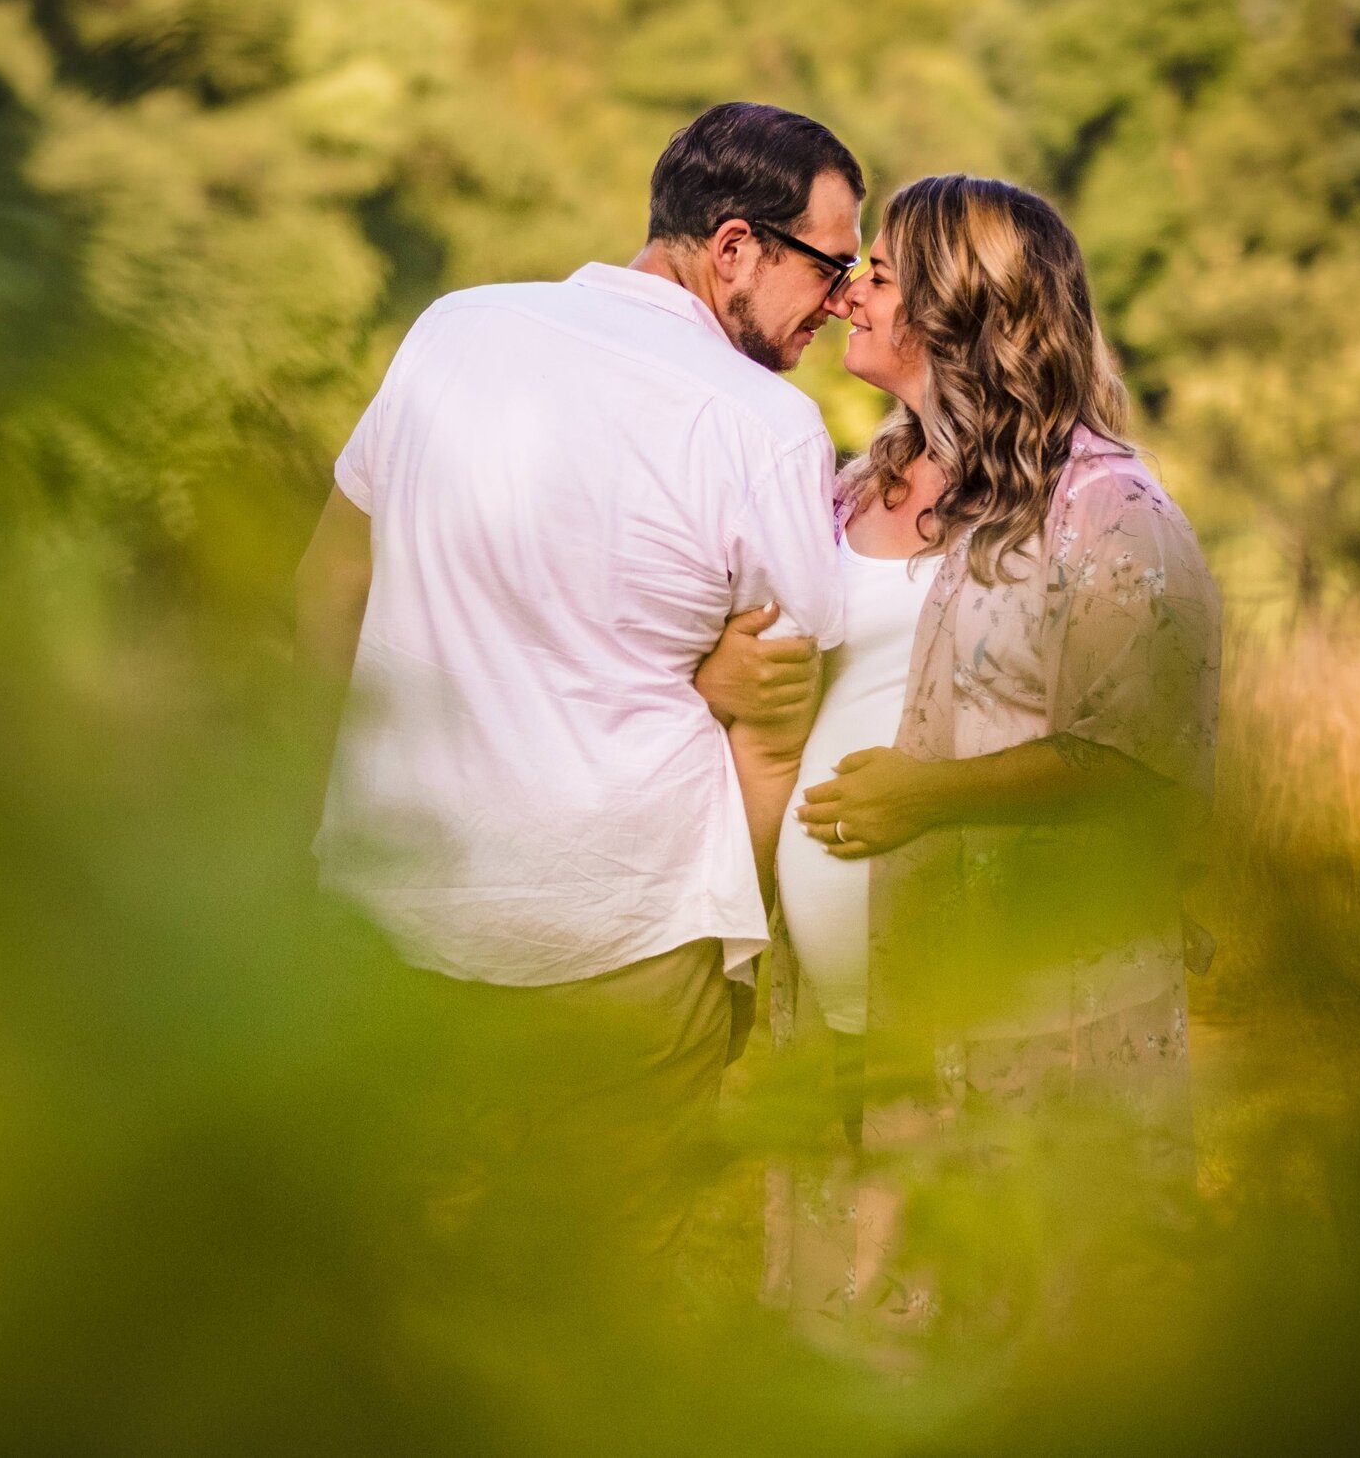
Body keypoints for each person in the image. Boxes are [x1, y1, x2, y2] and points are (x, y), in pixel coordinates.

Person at [294, 102, 863, 1252]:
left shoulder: (453, 328)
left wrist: (347, 796)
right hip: (626, 939)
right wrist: (729, 936)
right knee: (586, 1314)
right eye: (831, 264)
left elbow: (323, 588)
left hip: (387, 911)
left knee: (369, 1287)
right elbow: (778, 721)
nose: (845, 298)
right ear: (736, 246)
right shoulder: (766, 426)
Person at [698, 174, 1222, 1341]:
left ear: (960, 305)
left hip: (1016, 1016)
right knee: (858, 1344)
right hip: (840, 1009)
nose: (847, 297)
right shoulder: (846, 491)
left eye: (877, 273)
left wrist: (931, 798)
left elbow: (1147, 752)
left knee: (1013, 1333)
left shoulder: (1104, 509)